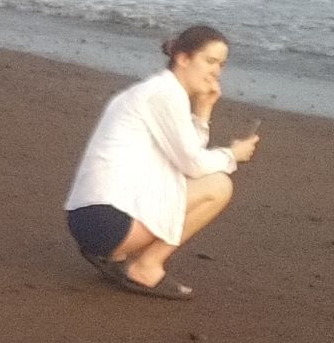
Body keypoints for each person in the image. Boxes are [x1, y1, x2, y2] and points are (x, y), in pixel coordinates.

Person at [63, 24, 261, 300]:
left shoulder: (160, 91)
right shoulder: (164, 95)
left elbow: (186, 154)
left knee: (204, 179)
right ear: (183, 58)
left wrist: (203, 111)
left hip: (93, 216)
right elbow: (192, 163)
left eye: (222, 65)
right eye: (210, 61)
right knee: (219, 186)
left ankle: (127, 257)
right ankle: (145, 266)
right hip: (106, 220)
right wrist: (232, 155)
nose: (217, 71)